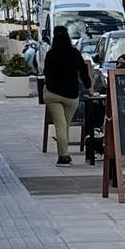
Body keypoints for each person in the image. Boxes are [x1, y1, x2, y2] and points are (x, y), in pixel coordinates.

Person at [42, 25, 90, 166]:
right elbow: (83, 72)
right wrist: (88, 88)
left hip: (52, 93)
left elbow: (46, 72)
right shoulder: (74, 53)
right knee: (65, 124)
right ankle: (64, 154)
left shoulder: (50, 54)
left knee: (60, 125)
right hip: (71, 95)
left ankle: (63, 156)